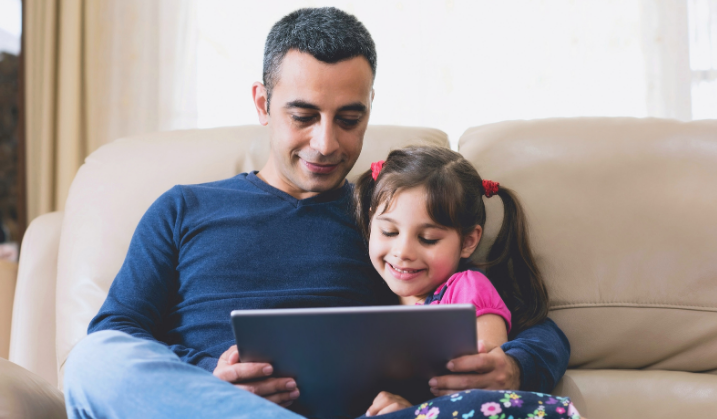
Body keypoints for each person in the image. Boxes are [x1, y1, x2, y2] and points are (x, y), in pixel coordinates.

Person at [63, 7, 570, 419]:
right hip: (205, 406)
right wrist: (210, 378)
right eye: (303, 116)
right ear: (263, 103)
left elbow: (535, 326)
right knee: (93, 362)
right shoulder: (183, 208)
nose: (326, 144)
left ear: (370, 108)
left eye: (350, 119)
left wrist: (517, 368)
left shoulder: (388, 222)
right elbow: (118, 332)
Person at [351, 146, 579, 418]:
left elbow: (483, 388)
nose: (402, 252)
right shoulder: (366, 288)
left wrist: (412, 409)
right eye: (389, 231)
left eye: (428, 239)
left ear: (468, 241)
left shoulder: (468, 288)